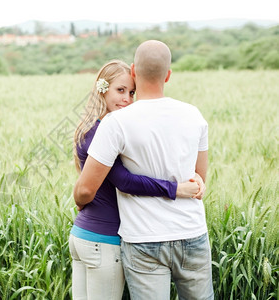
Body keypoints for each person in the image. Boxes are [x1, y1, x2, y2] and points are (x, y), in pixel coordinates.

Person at [74, 42, 213, 299]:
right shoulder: (194, 115)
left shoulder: (116, 122)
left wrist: (80, 201)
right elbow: (200, 178)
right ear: (168, 75)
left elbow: (90, 187)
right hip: (192, 231)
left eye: (130, 90)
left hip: (142, 237)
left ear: (135, 70)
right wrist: (184, 187)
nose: (127, 97)